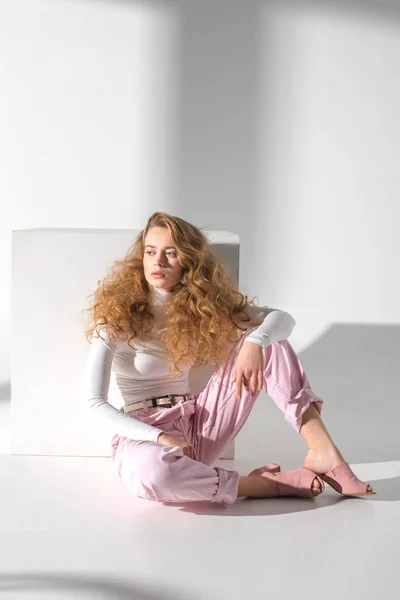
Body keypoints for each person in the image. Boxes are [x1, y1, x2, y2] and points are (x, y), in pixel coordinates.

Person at [81, 211, 375, 505]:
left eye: (171, 253)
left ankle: (323, 451)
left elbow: (282, 319)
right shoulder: (117, 320)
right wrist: (158, 437)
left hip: (197, 425)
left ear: (188, 262)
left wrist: (255, 342)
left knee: (268, 342)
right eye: (150, 252)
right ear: (141, 258)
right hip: (142, 437)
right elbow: (93, 403)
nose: (158, 262)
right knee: (155, 474)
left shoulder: (201, 309)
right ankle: (264, 485)